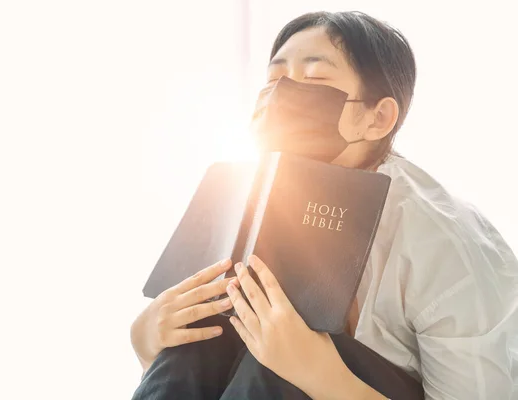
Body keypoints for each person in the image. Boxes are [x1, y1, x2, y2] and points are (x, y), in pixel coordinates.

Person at [130, 11, 518, 400]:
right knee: (203, 335)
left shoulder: (443, 244)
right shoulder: (256, 200)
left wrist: (321, 375)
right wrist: (147, 340)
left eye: (314, 80)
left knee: (276, 364)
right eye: (274, 80)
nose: (282, 94)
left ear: (377, 118)